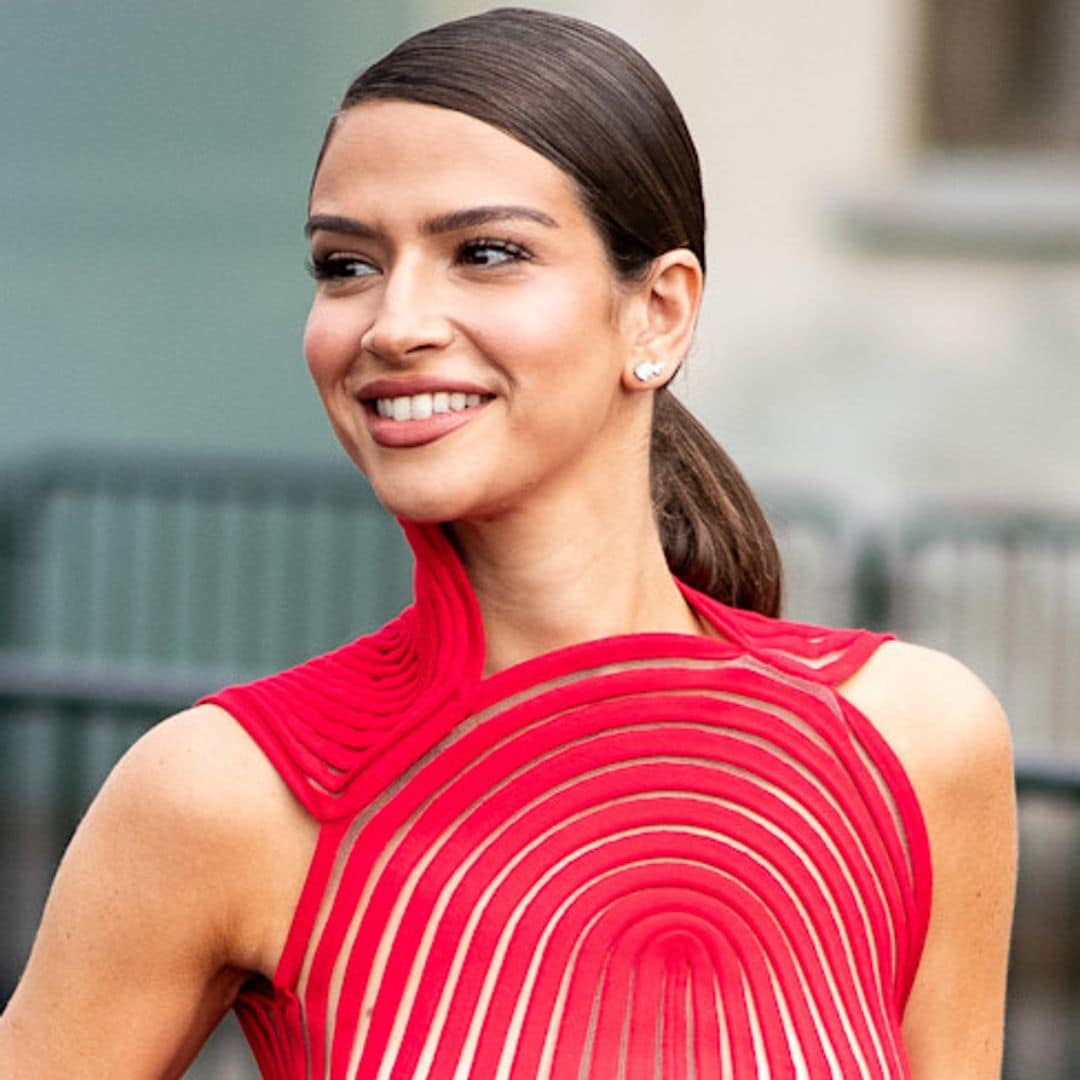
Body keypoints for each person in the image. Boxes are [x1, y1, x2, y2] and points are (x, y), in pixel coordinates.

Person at [0, 8, 1016, 1078]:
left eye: (485, 253)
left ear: (658, 315)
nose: (393, 322)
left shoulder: (913, 744)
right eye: (345, 264)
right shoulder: (226, 795)